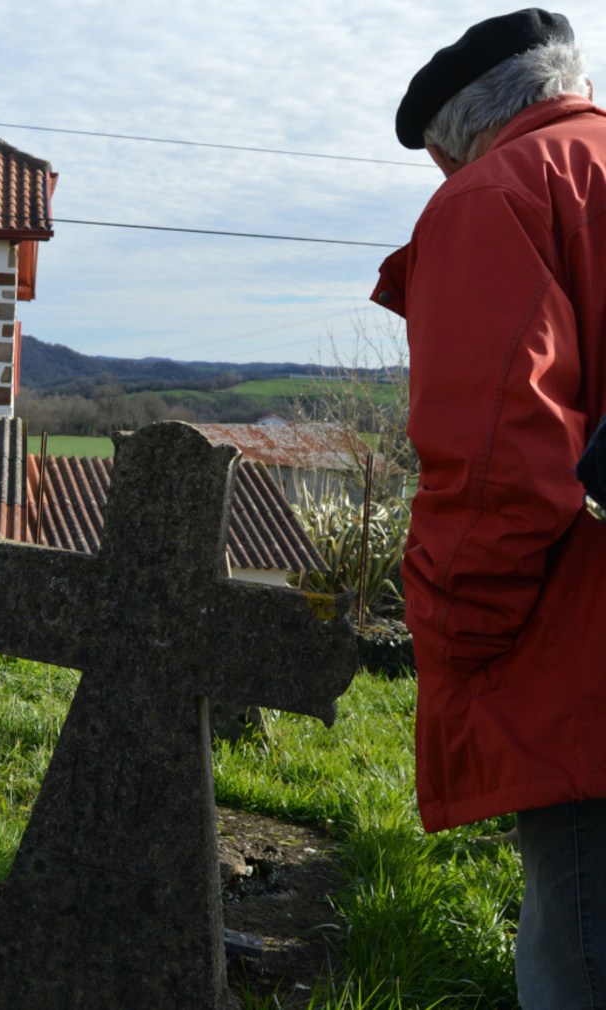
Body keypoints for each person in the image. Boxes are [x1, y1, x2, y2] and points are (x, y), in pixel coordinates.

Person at [371, 9, 606, 1008]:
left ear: (456, 134)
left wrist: (458, 641)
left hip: (583, 675)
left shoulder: (494, 196)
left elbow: (498, 457)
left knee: (579, 957)